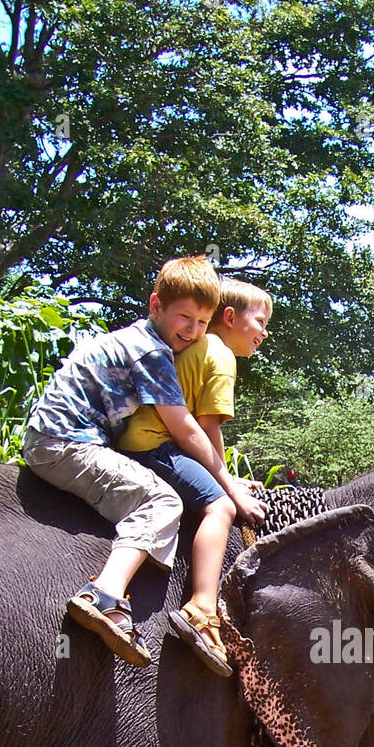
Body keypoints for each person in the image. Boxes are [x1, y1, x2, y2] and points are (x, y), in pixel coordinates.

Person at [23, 255, 265, 667]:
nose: (192, 331)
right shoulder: (152, 354)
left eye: (202, 323)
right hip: (65, 443)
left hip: (58, 436)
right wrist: (228, 482)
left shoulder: (143, 340)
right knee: (161, 501)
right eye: (184, 318)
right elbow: (185, 427)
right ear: (156, 306)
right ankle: (105, 593)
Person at [117, 278, 272, 675]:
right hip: (154, 446)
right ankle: (202, 607)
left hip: (142, 439)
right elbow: (207, 429)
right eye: (260, 321)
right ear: (231, 318)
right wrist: (230, 488)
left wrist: (230, 476)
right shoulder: (221, 357)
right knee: (218, 508)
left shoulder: (201, 347)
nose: (265, 332)